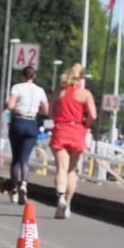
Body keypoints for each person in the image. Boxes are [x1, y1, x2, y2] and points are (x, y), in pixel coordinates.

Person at [49, 63, 97, 218]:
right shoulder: (85, 94)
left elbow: (50, 112)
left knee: (61, 169)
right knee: (71, 170)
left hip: (61, 130)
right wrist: (85, 123)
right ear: (81, 78)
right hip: (77, 131)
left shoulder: (58, 92)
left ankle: (61, 197)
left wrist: (59, 117)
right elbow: (93, 115)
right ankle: (68, 204)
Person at [5, 65, 49, 205]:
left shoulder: (17, 87)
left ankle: (14, 190)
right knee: (25, 159)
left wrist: (11, 105)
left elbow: (10, 105)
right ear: (34, 76)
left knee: (16, 159)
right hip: (32, 123)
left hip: (18, 121)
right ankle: (24, 183)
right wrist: (37, 109)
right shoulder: (40, 90)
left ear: (23, 75)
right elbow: (46, 110)